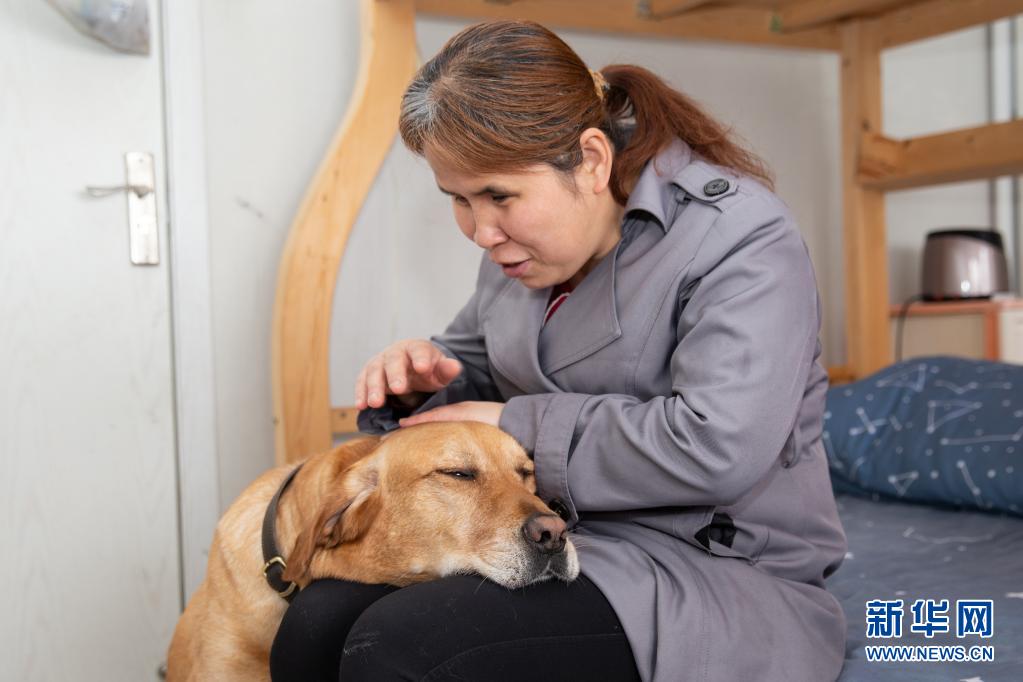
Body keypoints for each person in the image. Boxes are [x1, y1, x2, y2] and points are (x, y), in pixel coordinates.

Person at [270, 19, 848, 682]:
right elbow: (479, 366)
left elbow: (717, 445)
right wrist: (422, 379)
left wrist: (519, 424)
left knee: (402, 647)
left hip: (716, 571)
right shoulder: (517, 251)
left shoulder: (741, 239)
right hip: (560, 535)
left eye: (498, 196)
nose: (480, 231)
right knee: (315, 624)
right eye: (458, 199)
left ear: (592, 160)